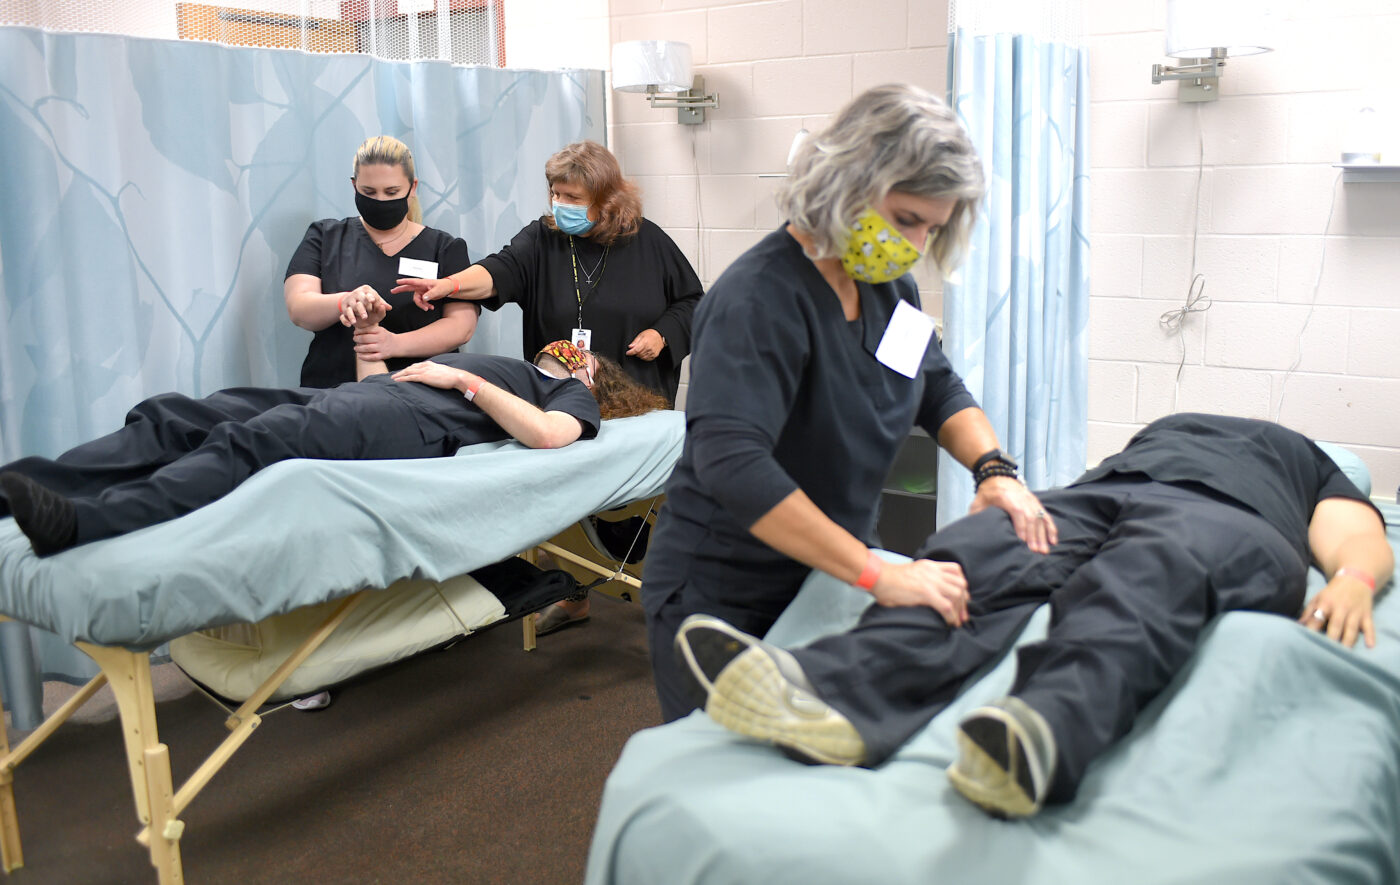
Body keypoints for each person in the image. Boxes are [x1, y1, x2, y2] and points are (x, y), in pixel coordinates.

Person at [672, 414, 1393, 819]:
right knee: (977, 551)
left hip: (1226, 518)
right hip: (1100, 495)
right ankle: (833, 695)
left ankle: (1043, 732)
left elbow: (1354, 532)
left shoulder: (1303, 457)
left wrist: (1356, 577)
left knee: (1140, 582)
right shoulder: (1163, 428)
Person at [636, 83, 1055, 723]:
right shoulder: (760, 298)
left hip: (832, 567)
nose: (915, 245)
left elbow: (936, 386)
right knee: (733, 772)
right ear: (847, 182)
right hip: (726, 591)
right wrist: (877, 574)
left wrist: (994, 470)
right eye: (907, 219)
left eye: (932, 229)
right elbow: (733, 465)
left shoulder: (890, 289)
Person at [393, 139, 703, 634]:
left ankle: (659, 584)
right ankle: (572, 592)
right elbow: (498, 272)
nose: (561, 205)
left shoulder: (649, 242)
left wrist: (663, 333)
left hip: (634, 397)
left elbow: (691, 301)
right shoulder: (543, 239)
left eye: (574, 197)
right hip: (563, 399)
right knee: (563, 502)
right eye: (556, 193)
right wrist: (446, 286)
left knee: (628, 507)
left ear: (607, 199)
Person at [0, 336, 668, 557]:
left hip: (403, 428)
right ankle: (27, 484)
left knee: (247, 443)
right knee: (180, 414)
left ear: (593, 373)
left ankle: (83, 521)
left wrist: (459, 375)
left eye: (581, 354)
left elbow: (552, 438)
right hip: (366, 401)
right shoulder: (523, 367)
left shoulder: (567, 392)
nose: (566, 347)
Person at [284, 135, 479, 388]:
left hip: (423, 397)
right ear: (354, 186)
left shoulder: (444, 248)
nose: (380, 200)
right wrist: (345, 301)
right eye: (368, 192)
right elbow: (299, 308)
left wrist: (394, 344)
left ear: (413, 188)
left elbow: (461, 327)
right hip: (331, 391)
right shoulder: (325, 237)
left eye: (391, 192)